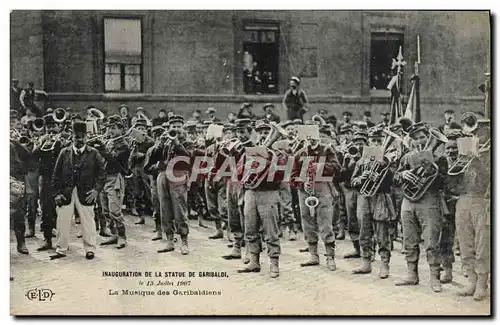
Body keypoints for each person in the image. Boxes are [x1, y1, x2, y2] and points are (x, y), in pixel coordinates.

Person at [393, 123, 448, 292]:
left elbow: (444, 182)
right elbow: (395, 178)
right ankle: (412, 274)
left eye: (422, 137)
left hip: (429, 200)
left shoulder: (439, 158)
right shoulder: (407, 157)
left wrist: (432, 169)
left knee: (431, 240)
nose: (419, 141)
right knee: (409, 239)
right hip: (408, 201)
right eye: (415, 138)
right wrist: (402, 174)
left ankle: (434, 277)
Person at [50, 121, 106, 260]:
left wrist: (96, 190)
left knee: (88, 220)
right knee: (62, 220)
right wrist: (57, 194)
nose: (79, 140)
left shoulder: (94, 153)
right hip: (66, 192)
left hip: (86, 192)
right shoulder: (64, 152)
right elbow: (55, 175)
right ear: (72, 137)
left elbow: (102, 174)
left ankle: (90, 249)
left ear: (87, 137)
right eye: (76, 137)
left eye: (82, 137)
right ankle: (61, 248)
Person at [236, 123, 285, 278]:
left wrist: (267, 163)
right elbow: (238, 174)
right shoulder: (249, 153)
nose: (264, 136)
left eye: (267, 132)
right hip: (251, 193)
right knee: (250, 228)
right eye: (261, 133)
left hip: (268, 193)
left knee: (270, 230)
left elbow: (280, 175)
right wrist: (251, 166)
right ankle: (254, 261)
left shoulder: (277, 154)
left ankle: (274, 263)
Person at [293, 125, 341, 271]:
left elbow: (337, 167)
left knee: (325, 222)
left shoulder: (327, 150)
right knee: (307, 220)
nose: (310, 140)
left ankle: (330, 256)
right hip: (305, 190)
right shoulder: (299, 153)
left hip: (323, 187)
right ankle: (313, 254)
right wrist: (302, 182)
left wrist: (320, 167)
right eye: (307, 137)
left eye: (313, 136)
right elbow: (292, 175)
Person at [350, 128, 396, 278]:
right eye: (373, 140)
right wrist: (362, 178)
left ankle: (384, 263)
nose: (376, 143)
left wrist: (383, 172)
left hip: (380, 197)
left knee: (382, 231)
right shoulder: (361, 161)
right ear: (368, 142)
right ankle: (366, 262)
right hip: (364, 197)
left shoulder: (388, 160)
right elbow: (353, 181)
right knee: (364, 229)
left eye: (379, 140)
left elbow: (393, 181)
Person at [455, 121, 490, 301]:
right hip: (463, 198)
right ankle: (472, 280)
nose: (477, 136)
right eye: (474, 133)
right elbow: (454, 180)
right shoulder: (466, 150)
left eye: (481, 132)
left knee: (482, 244)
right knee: (465, 242)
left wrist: (479, 162)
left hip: (482, 200)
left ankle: (483, 283)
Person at [97, 116, 131, 249]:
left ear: (121, 129)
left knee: (115, 210)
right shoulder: (109, 142)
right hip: (104, 178)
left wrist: (102, 148)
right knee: (105, 210)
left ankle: (122, 237)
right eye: (109, 128)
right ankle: (114, 234)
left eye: (113, 128)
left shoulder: (124, 145)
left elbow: (114, 161)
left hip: (115, 178)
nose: (110, 131)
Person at [33, 114, 65, 251]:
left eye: (53, 126)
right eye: (48, 127)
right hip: (45, 179)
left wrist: (60, 142)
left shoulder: (63, 140)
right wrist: (41, 143)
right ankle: (47, 240)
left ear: (59, 126)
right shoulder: (41, 140)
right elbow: (33, 156)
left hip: (59, 180)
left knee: (60, 211)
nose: (51, 129)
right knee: (46, 209)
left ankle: (62, 240)